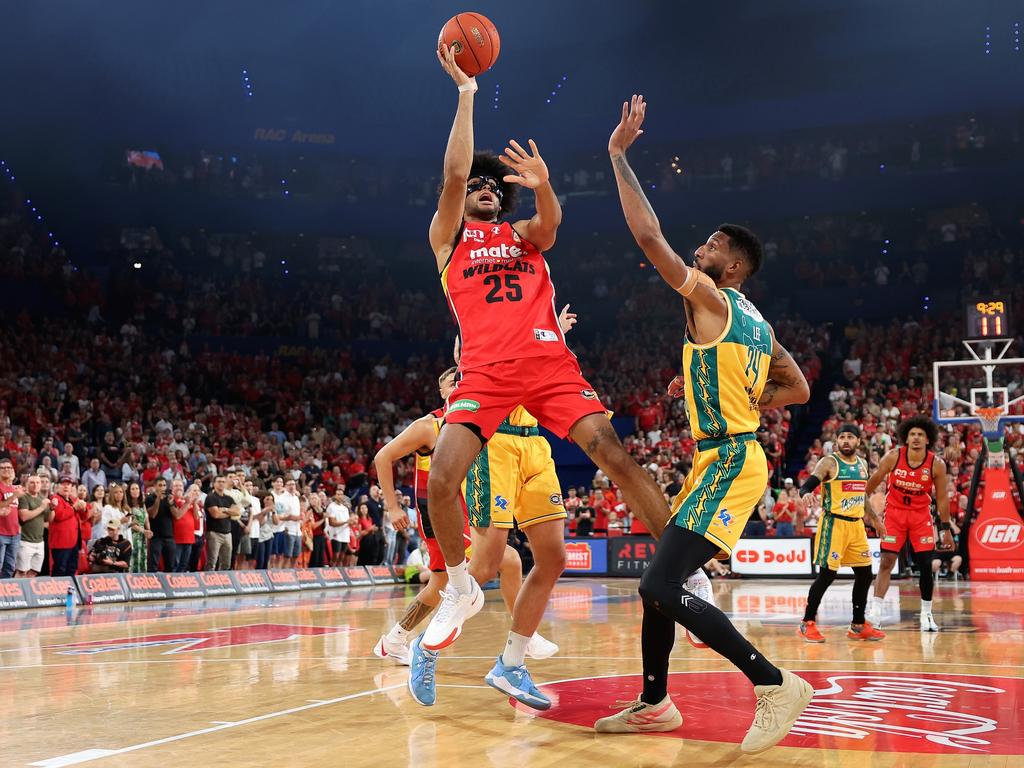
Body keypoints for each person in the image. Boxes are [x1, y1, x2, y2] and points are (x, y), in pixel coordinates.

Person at [420, 47, 674, 710]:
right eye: (479, 186)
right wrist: (468, 94)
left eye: (491, 187)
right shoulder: (449, 239)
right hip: (486, 370)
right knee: (442, 480)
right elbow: (451, 174)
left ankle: (681, 571)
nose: (484, 189)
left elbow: (554, 225)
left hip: (549, 365)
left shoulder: (524, 232)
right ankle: (458, 587)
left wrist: (542, 185)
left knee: (615, 454)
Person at [590, 95, 813, 754]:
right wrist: (739, 397)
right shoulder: (759, 324)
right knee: (660, 588)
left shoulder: (711, 297)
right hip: (724, 454)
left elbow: (647, 238)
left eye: (715, 244)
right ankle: (656, 703)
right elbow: (797, 388)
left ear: (732, 267)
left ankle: (773, 683)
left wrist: (617, 156)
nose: (704, 246)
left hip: (729, 461)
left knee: (658, 583)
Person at [373, 369, 556, 696]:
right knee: (505, 563)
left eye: (461, 382)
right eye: (450, 383)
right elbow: (383, 456)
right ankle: (522, 637)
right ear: (441, 390)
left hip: (466, 507)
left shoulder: (478, 420)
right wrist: (392, 507)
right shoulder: (429, 425)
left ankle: (395, 639)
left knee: (446, 582)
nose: (457, 386)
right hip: (440, 515)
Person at [797, 424, 886, 643]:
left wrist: (875, 519)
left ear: (858, 441)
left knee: (865, 575)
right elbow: (812, 481)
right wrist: (806, 491)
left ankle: (857, 625)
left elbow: (861, 495)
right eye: (842, 437)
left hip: (856, 526)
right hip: (834, 524)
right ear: (837, 441)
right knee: (827, 575)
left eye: (850, 437)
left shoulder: (863, 464)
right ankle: (807, 622)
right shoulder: (829, 462)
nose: (846, 441)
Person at [865, 416, 953, 631]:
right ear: (906, 437)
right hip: (895, 515)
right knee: (886, 561)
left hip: (921, 516)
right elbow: (870, 485)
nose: (915, 438)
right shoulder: (893, 457)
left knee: (925, 566)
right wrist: (869, 513)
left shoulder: (936, 464)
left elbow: (941, 498)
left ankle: (926, 614)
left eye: (920, 435)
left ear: (927, 439)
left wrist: (946, 528)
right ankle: (876, 612)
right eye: (912, 434)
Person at [15, 474, 51, 577]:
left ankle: (27, 592)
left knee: (34, 571)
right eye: (32, 482)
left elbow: (49, 520)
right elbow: (24, 516)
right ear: (26, 484)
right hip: (25, 541)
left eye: (38, 482)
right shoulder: (23, 497)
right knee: (22, 571)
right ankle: (16, 592)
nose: (35, 485)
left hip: (39, 541)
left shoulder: (42, 498)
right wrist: (42, 507)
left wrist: (52, 508)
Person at [0, 457, 23, 577]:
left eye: (9, 467)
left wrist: (19, 526)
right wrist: (13, 497)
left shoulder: (13, 488)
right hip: (1, 533)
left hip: (14, 534)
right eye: (2, 468)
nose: (6, 470)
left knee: (10, 568)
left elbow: (16, 510)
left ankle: (4, 594)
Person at [126, 480, 150, 572]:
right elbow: (130, 524)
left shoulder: (142, 504)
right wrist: (144, 531)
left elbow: (146, 520)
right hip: (132, 536)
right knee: (133, 559)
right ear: (129, 491)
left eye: (137, 488)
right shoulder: (127, 506)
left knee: (142, 560)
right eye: (133, 489)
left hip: (143, 536)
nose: (135, 491)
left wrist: (148, 531)